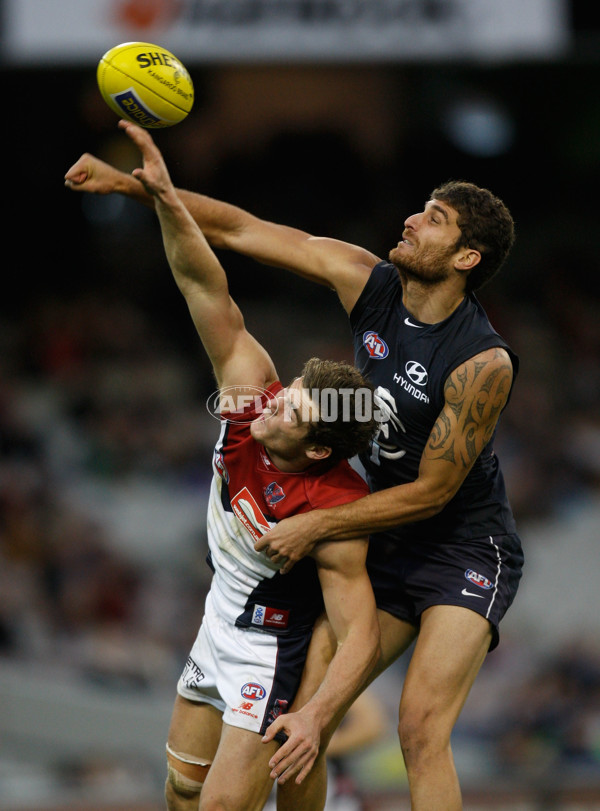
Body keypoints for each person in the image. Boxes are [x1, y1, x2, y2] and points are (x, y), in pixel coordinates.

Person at [65, 137, 524, 810]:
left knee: (420, 728)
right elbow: (243, 230)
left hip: (462, 545)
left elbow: (434, 492)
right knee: (302, 722)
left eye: (433, 219)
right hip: (380, 530)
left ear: (466, 258)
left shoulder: (483, 362)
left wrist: (318, 521)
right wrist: (143, 188)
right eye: (422, 208)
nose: (411, 220)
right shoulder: (369, 281)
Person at [85, 121, 381, 811]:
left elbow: (360, 630)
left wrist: (315, 714)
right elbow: (204, 286)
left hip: (268, 647)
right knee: (182, 789)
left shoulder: (335, 509)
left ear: (316, 450)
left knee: (223, 806)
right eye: (288, 394)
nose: (271, 407)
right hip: (216, 614)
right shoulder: (255, 394)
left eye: (292, 412)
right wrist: (164, 197)